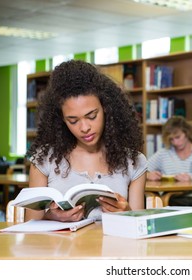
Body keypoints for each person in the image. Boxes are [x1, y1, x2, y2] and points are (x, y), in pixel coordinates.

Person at [25, 60, 147, 222]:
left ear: (106, 108)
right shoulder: (44, 160)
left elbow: (139, 231)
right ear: (61, 120)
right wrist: (51, 216)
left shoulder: (134, 162)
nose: (84, 128)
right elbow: (29, 229)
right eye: (73, 121)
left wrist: (127, 213)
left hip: (113, 247)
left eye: (91, 116)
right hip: (62, 247)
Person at [147, 116, 192, 213]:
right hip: (171, 197)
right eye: (171, 139)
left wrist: (190, 182)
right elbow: (140, 171)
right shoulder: (163, 154)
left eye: (178, 137)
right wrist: (148, 175)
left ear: (186, 133)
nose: (175, 142)